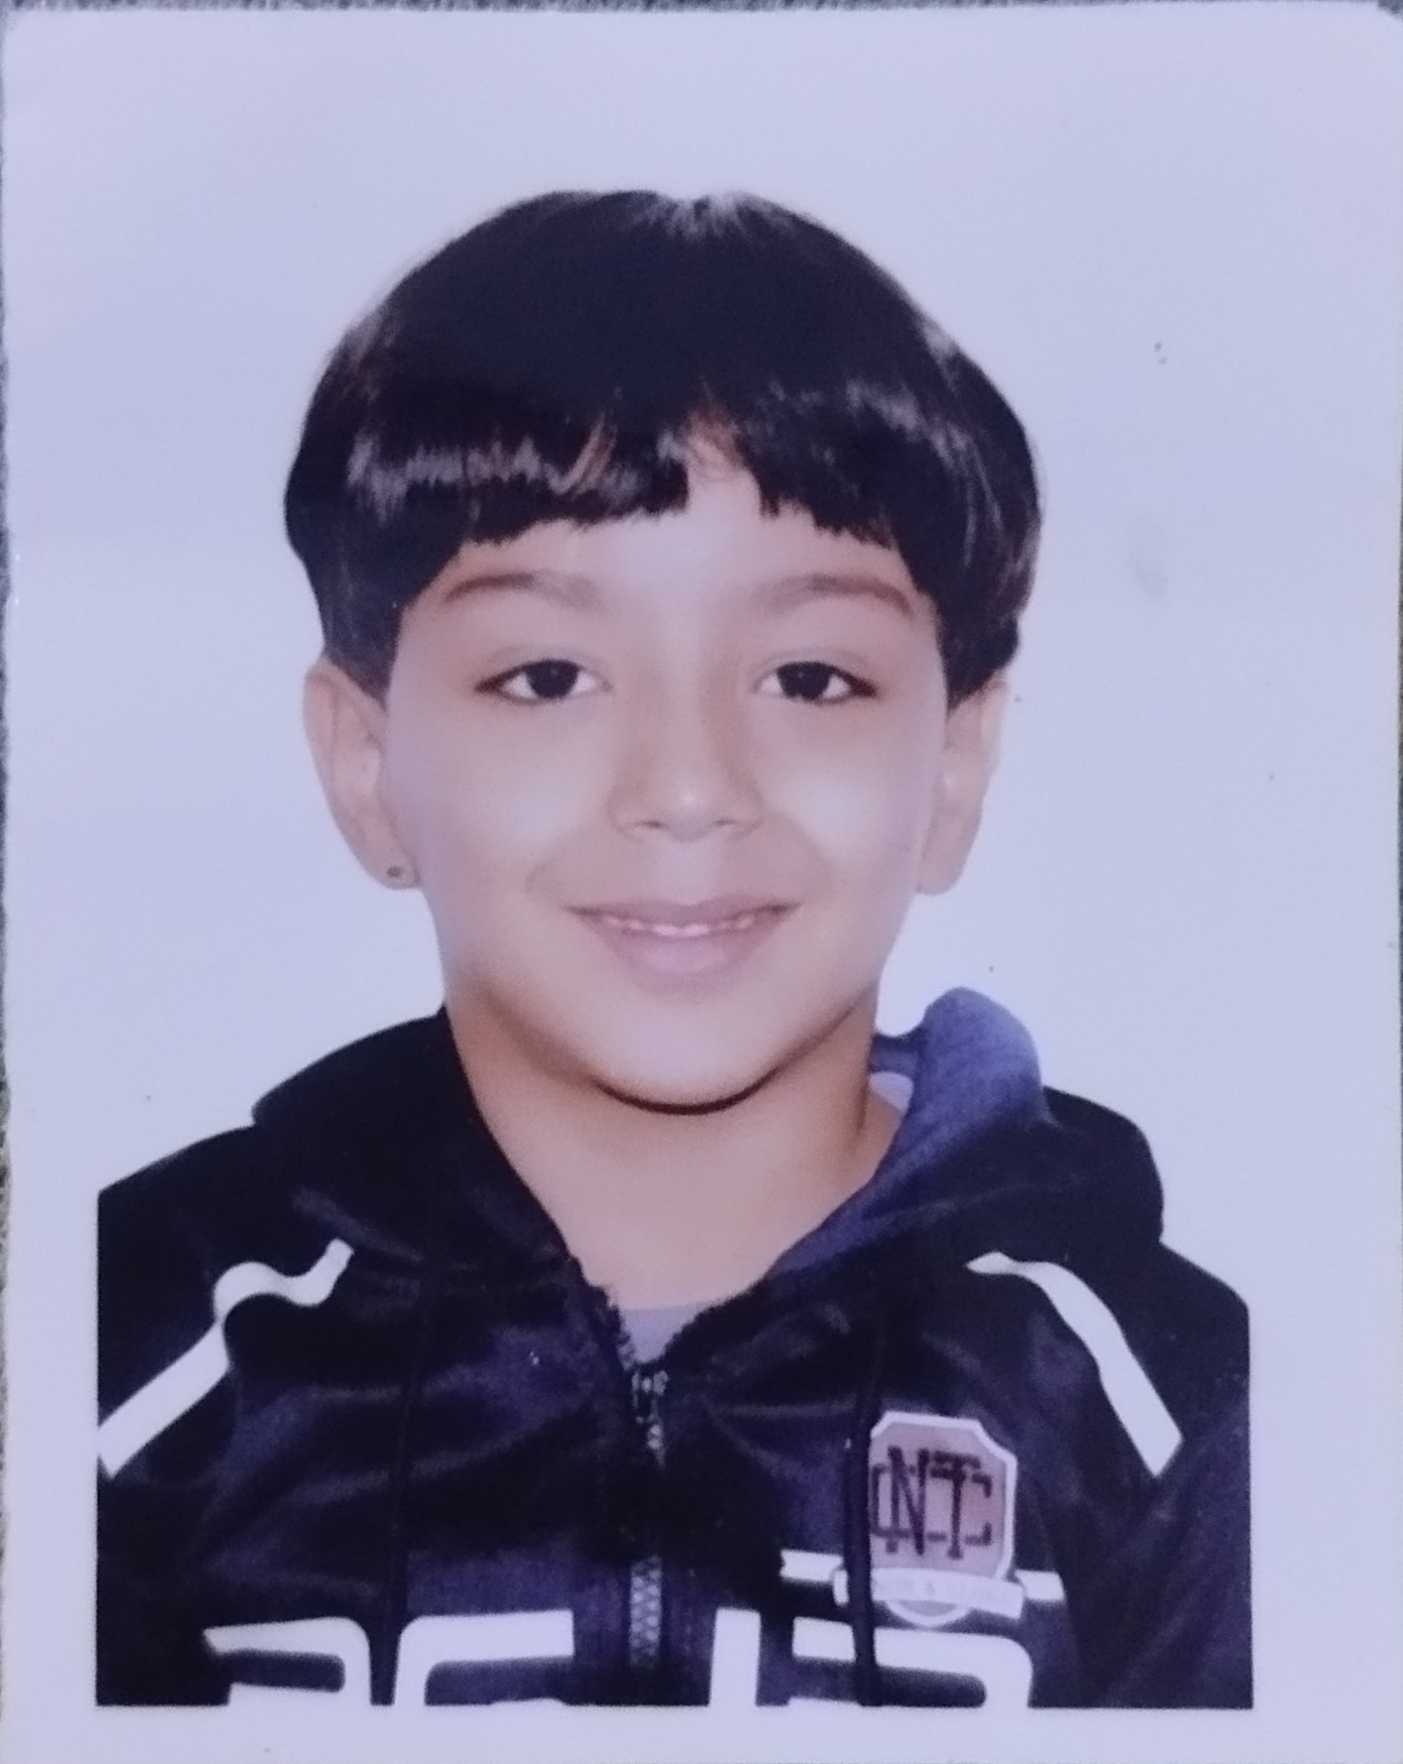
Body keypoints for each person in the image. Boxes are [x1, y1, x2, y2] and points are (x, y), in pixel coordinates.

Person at [96, 191, 1249, 1710]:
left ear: (956, 768)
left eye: (812, 677)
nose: (690, 788)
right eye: (548, 676)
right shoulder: (131, 1356)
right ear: (367, 765)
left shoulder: (1164, 1411)